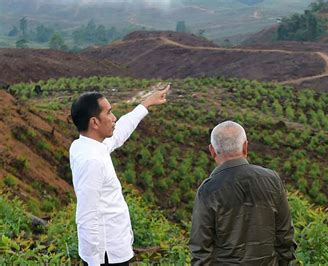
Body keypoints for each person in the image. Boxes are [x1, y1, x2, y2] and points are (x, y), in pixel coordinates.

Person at [69, 84, 170, 266]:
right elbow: (86, 214)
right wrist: (93, 262)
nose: (114, 118)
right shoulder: (92, 160)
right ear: (94, 122)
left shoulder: (86, 145)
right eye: (109, 113)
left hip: (113, 249)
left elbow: (119, 133)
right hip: (106, 255)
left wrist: (146, 104)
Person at [189, 121, 297, 265]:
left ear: (212, 151)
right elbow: (285, 236)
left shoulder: (208, 191)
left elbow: (200, 249)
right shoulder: (271, 180)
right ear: (246, 146)